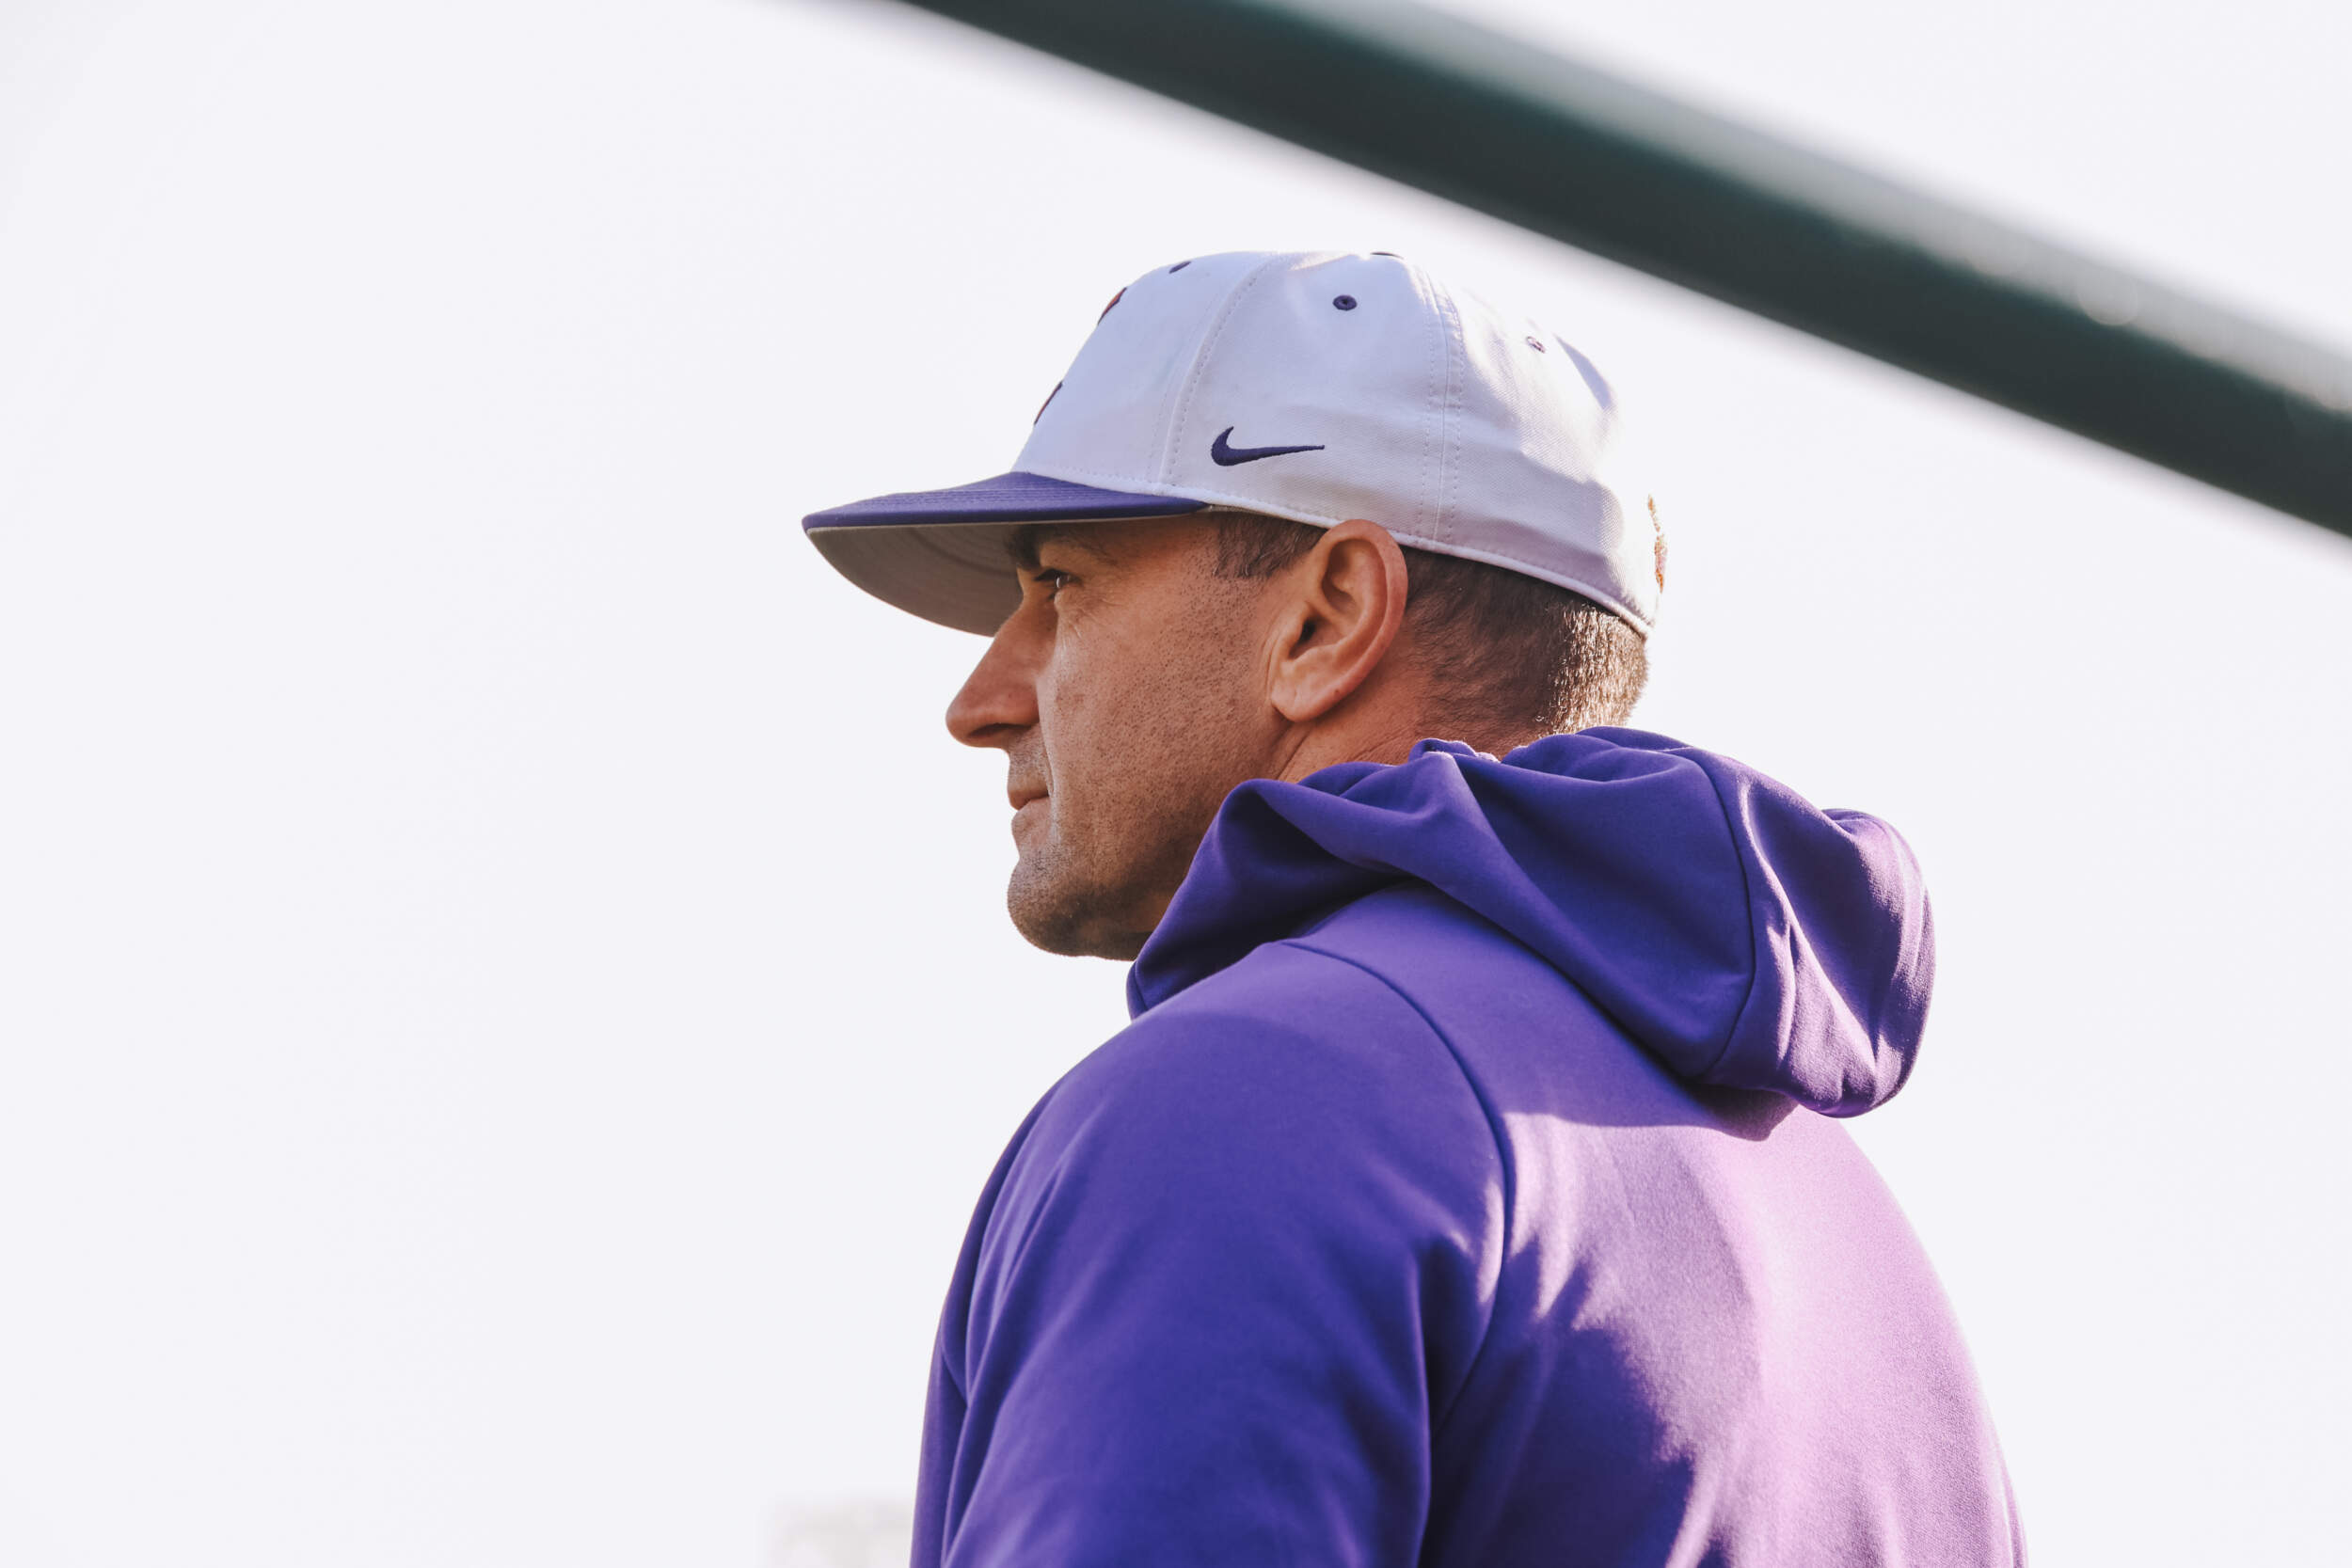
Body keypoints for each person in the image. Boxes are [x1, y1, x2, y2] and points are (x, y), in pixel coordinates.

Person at [803, 250, 2022, 1567]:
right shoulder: (1853, 1238)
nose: (982, 700)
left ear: (1327, 620)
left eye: (1061, 587)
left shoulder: (1258, 1095)